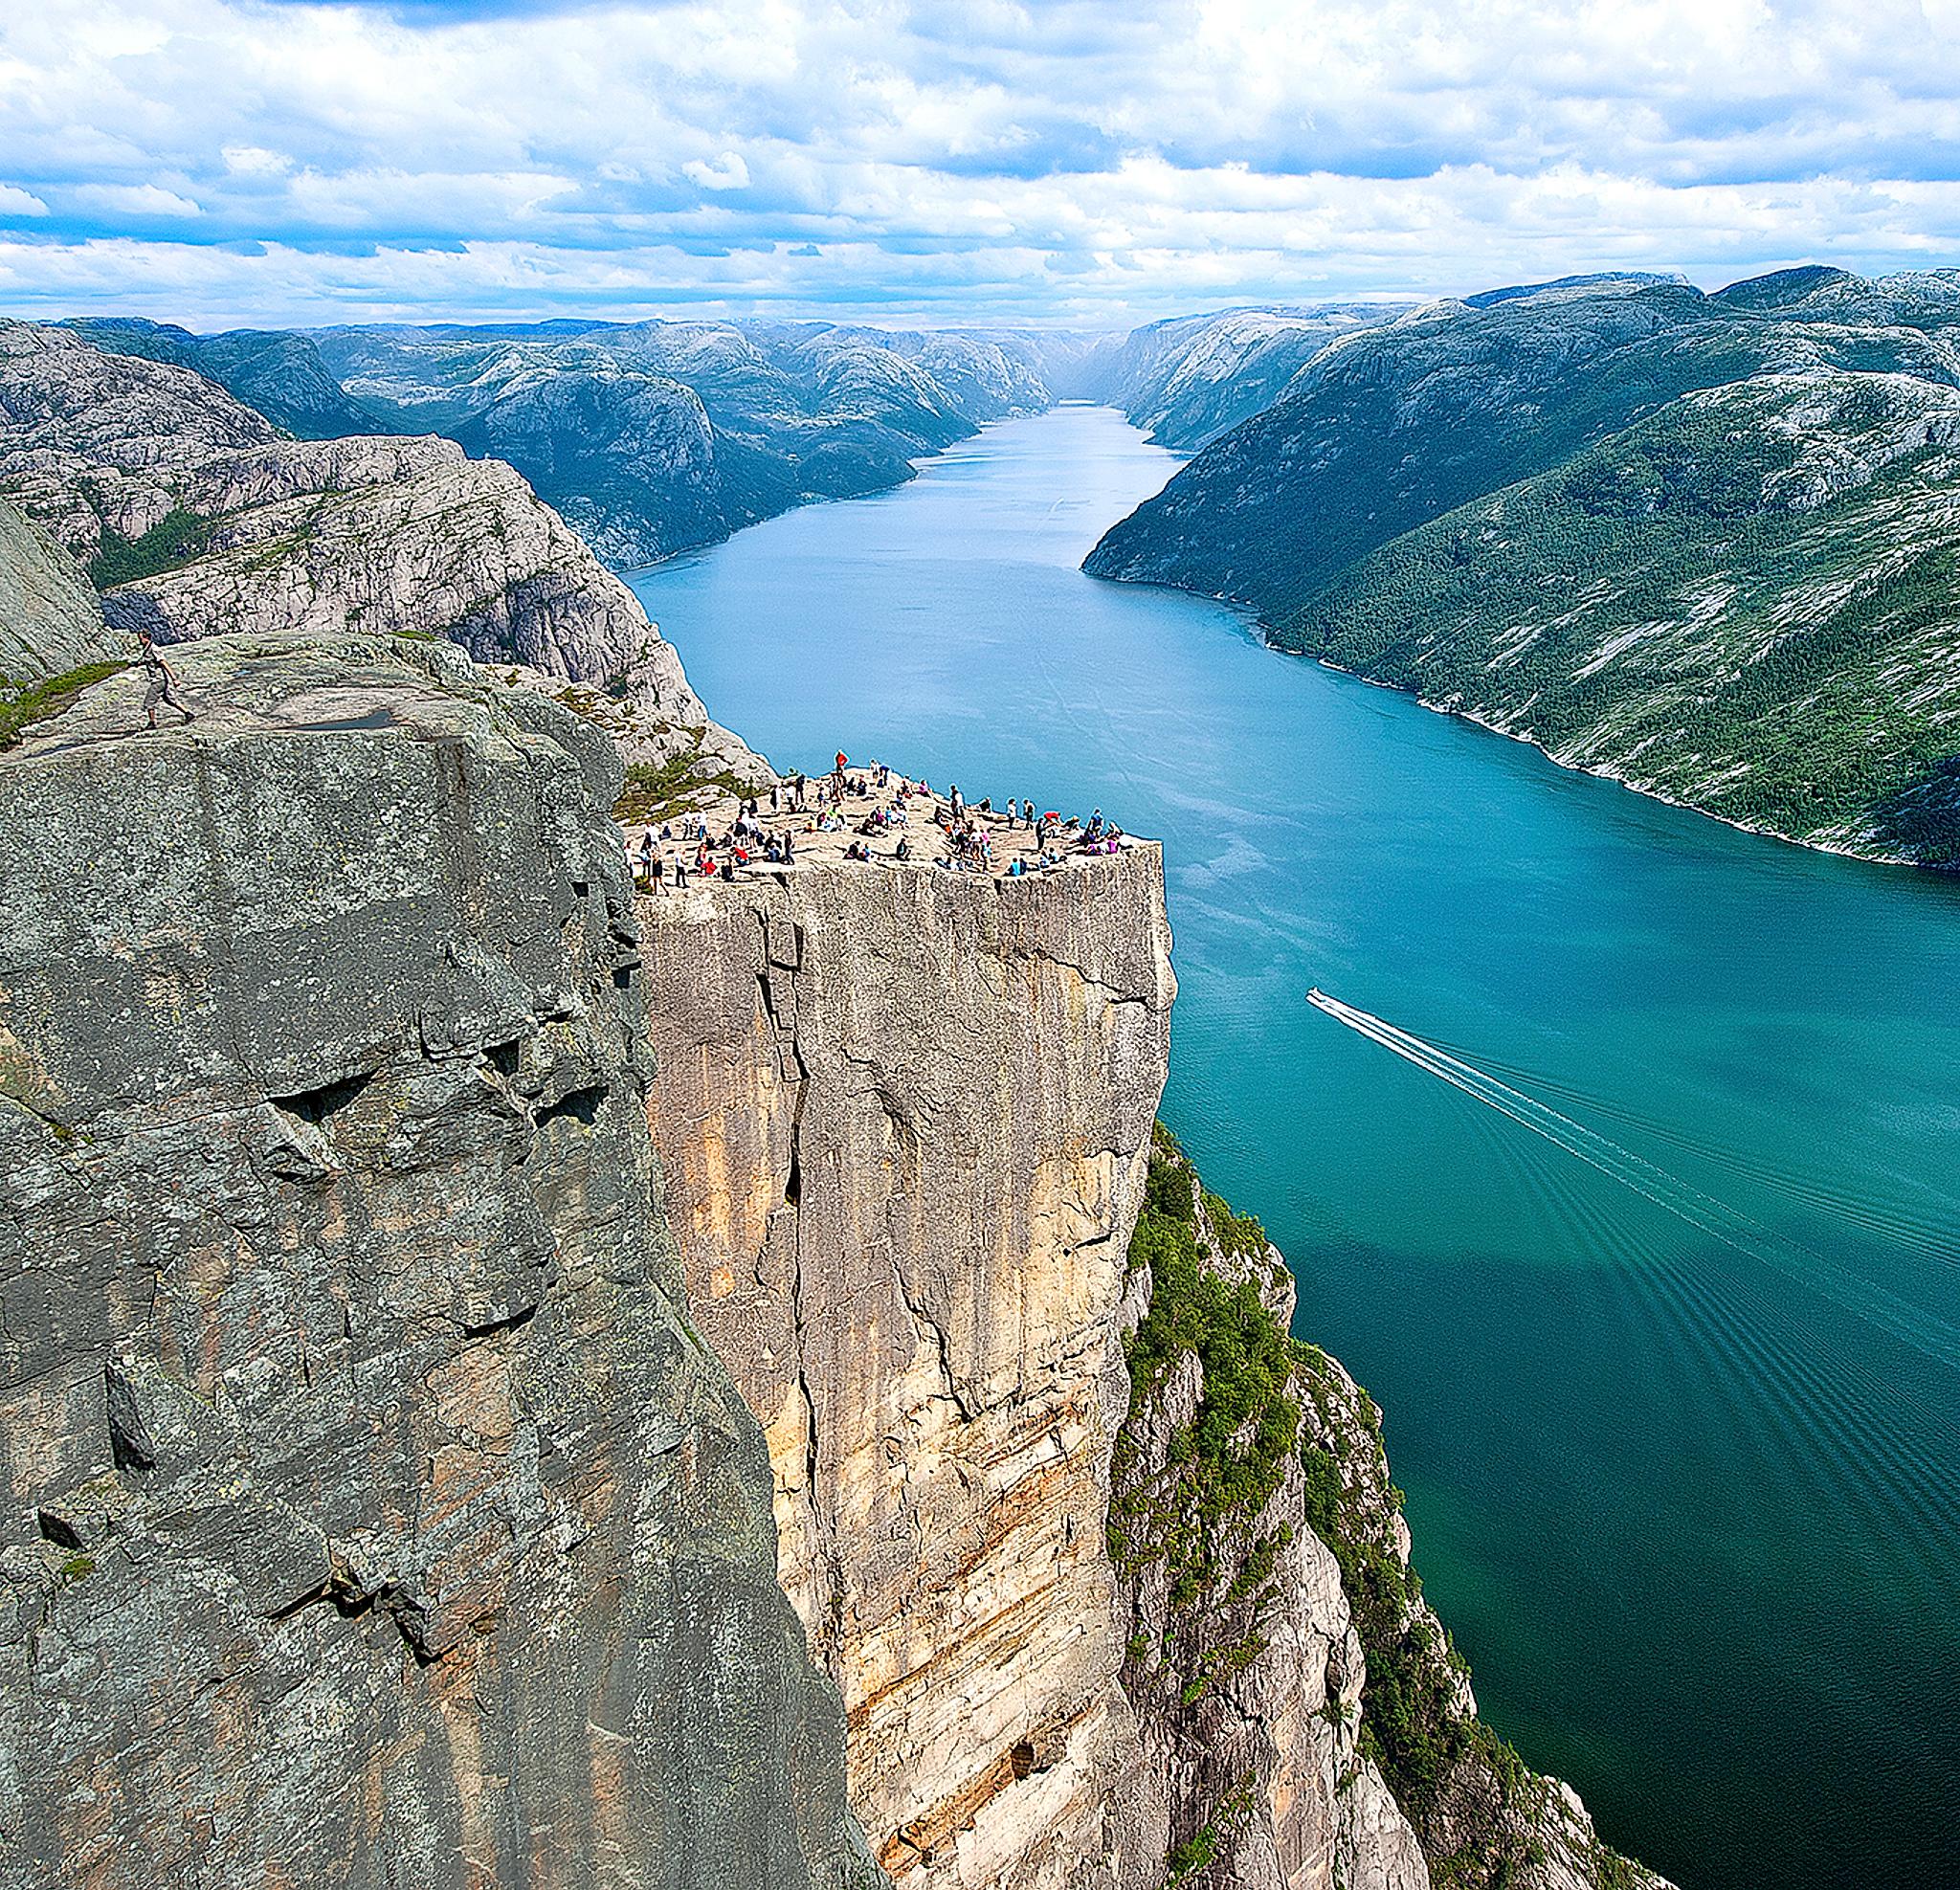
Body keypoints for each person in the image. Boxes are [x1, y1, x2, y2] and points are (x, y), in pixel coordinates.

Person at [137, 631, 194, 728]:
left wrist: (174, 679)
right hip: (161, 680)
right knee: (169, 700)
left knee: (149, 701)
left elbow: (164, 663)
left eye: (141, 638)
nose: (139, 641)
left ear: (146, 638)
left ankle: (152, 723)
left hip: (158, 680)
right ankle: (188, 714)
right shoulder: (147, 649)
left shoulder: (154, 649)